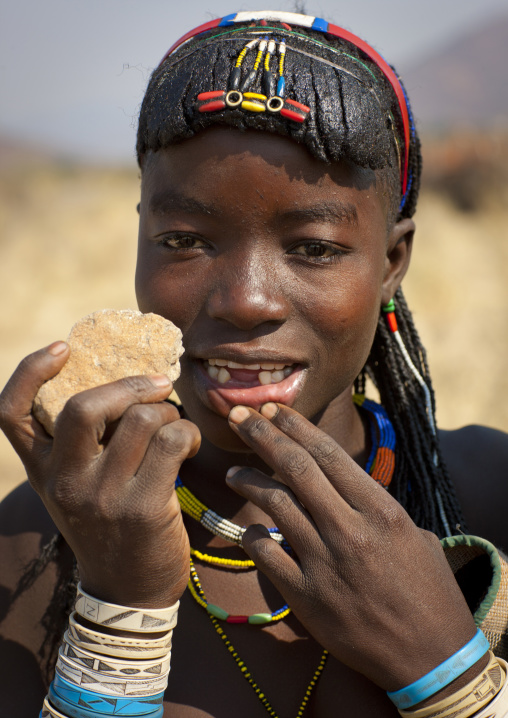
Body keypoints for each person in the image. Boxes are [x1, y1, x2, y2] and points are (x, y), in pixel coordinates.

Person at [1, 10, 508, 718]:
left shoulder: (492, 500)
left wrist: (447, 671)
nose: (245, 301)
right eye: (184, 238)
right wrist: (120, 608)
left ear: (392, 262)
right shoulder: (43, 537)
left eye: (314, 248)